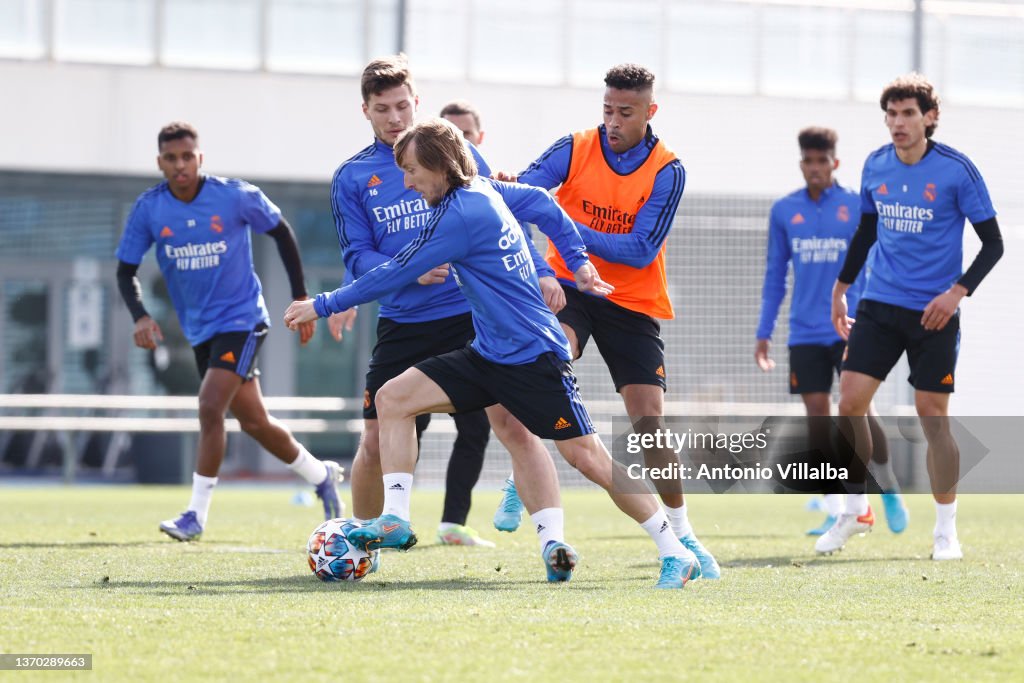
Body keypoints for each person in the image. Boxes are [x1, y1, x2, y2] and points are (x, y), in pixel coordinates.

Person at [285, 119, 705, 589]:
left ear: (439, 167)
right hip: (488, 356)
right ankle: (395, 520)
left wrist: (320, 305)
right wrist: (579, 262)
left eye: (412, 171)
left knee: (588, 458)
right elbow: (545, 203)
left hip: (534, 360)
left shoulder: (459, 217)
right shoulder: (483, 189)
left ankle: (674, 550)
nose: (407, 182)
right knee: (392, 398)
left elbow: (391, 274)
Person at [330, 55, 567, 551]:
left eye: (401, 106)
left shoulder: (456, 153)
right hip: (403, 322)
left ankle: (551, 542)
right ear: (365, 112)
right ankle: (360, 548)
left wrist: (543, 273)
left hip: (470, 318)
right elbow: (357, 255)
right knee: (372, 441)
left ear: (416, 102)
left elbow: (509, 219)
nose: (394, 118)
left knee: (514, 428)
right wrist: (409, 266)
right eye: (382, 109)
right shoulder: (351, 177)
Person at [493, 63, 719, 579]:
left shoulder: (668, 169)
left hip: (631, 301)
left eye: (626, 112)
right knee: (543, 365)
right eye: (608, 110)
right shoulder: (573, 146)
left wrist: (562, 224)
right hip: (569, 286)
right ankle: (519, 474)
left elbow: (639, 250)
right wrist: (511, 191)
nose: (613, 121)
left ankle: (684, 533)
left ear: (650, 112)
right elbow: (523, 198)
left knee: (650, 428)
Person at [115, 121, 344, 542]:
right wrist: (140, 316)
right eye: (171, 158)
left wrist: (301, 298)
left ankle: (195, 516)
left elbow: (281, 232)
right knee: (255, 422)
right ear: (160, 162)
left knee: (209, 406)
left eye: (188, 156)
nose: (180, 165)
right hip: (201, 330)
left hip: (243, 321)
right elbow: (126, 270)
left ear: (200, 158)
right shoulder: (150, 209)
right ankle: (321, 474)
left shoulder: (234, 196)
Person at [819, 74, 1004, 560]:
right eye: (891, 114)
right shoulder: (875, 165)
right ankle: (855, 510)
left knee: (932, 415)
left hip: (934, 313)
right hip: (879, 303)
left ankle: (946, 532)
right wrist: (841, 291)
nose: (897, 123)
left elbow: (994, 244)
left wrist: (956, 294)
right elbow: (865, 233)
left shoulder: (956, 171)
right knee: (850, 403)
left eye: (907, 114)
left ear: (930, 118)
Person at [755, 127, 909, 536]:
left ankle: (888, 486)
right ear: (802, 163)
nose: (816, 168)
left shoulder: (857, 206)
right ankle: (837, 505)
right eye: (809, 161)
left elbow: (879, 262)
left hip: (853, 324)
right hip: (804, 332)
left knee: (859, 410)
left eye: (823, 161)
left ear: (834, 163)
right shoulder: (785, 211)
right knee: (819, 419)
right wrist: (764, 330)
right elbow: (775, 275)